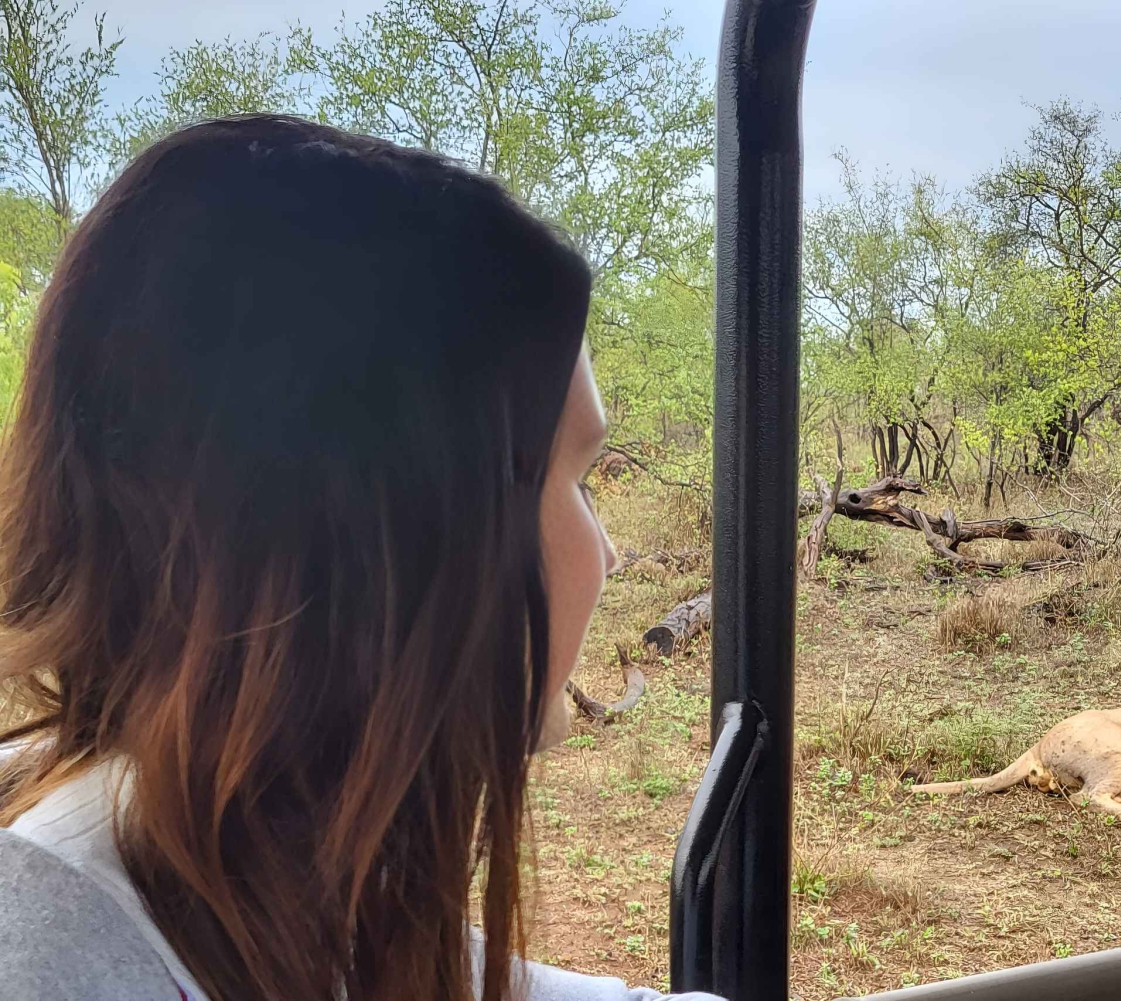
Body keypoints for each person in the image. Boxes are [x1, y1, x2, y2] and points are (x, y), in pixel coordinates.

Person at [0, 115, 722, 1001]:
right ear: (392, 533)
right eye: (568, 477)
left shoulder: (241, 863)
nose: (604, 549)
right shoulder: (63, 949)